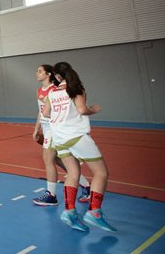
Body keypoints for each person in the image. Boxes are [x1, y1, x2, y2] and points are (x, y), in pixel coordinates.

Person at [44, 62, 116, 232]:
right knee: (101, 172)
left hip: (59, 138)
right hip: (76, 135)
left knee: (73, 173)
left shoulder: (51, 91)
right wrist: (93, 110)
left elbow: (46, 113)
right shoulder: (75, 87)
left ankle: (69, 212)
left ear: (57, 75)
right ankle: (94, 212)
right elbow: (82, 109)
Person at [32, 64, 91, 206]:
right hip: (46, 128)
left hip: (54, 127)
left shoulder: (56, 90)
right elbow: (41, 111)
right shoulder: (39, 91)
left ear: (49, 74)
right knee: (59, 160)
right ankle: (86, 186)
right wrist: (36, 129)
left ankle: (51, 196)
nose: (36, 73)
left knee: (47, 159)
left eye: (40, 71)